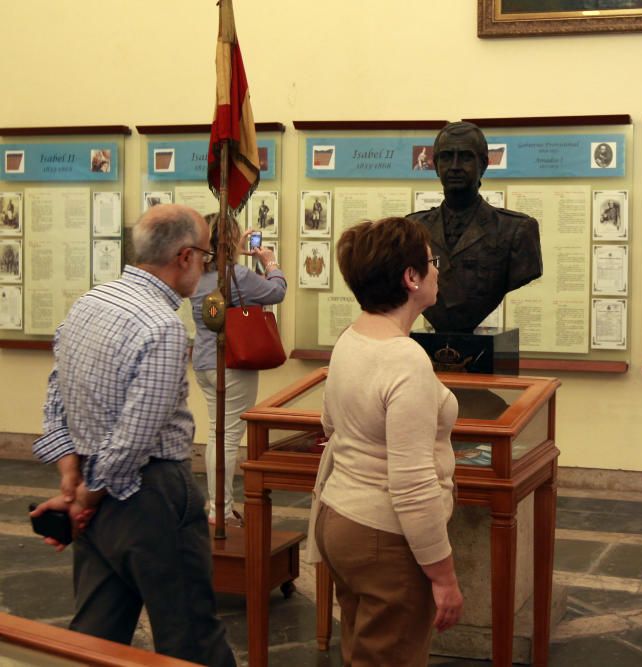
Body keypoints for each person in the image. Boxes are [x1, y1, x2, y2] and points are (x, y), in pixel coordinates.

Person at [30, 204, 236, 666]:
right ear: (184, 256)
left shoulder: (90, 303)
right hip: (149, 495)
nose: (205, 266)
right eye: (205, 256)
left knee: (95, 638)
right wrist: (87, 496)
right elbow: (135, 435)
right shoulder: (162, 327)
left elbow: (56, 392)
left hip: (93, 483)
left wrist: (72, 475)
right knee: (191, 640)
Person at [310, 216, 463, 665]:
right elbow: (411, 485)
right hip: (384, 538)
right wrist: (444, 577)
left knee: (364, 653)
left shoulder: (352, 337)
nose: (438, 270)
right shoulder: (405, 359)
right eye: (432, 262)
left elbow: (331, 423)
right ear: (411, 278)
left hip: (341, 518)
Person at [190, 213, 286, 526]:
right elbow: (276, 291)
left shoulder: (196, 276)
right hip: (232, 363)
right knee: (228, 438)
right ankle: (221, 510)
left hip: (205, 362)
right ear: (230, 241)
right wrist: (270, 262)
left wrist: (234, 251)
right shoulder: (236, 275)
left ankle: (217, 506)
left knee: (217, 434)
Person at [407, 121, 542, 332]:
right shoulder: (412, 229)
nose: (454, 166)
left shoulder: (516, 231)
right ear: (435, 165)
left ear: (484, 165)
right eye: (446, 157)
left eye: (466, 157)